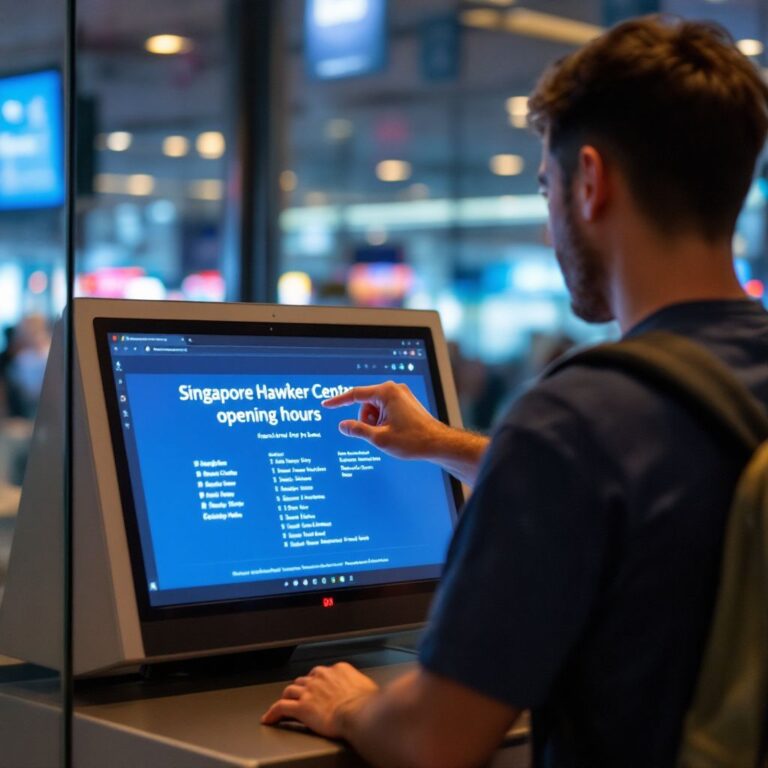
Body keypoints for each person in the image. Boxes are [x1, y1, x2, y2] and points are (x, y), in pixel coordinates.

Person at [263, 15, 768, 768]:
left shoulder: (576, 421)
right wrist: (440, 445)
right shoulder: (682, 401)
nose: (548, 229)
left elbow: (435, 740)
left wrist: (357, 706)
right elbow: (665, 486)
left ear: (590, 182)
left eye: (546, 189)